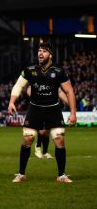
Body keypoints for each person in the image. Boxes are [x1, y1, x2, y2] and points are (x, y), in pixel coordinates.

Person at [8, 42, 77, 183]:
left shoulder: (59, 72)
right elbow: (18, 86)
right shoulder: (29, 70)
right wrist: (12, 101)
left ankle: (61, 175)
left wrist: (73, 112)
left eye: (44, 51)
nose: (40, 53)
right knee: (28, 138)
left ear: (50, 55)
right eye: (39, 51)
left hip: (53, 110)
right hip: (35, 109)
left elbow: (69, 91)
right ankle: (21, 174)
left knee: (59, 139)